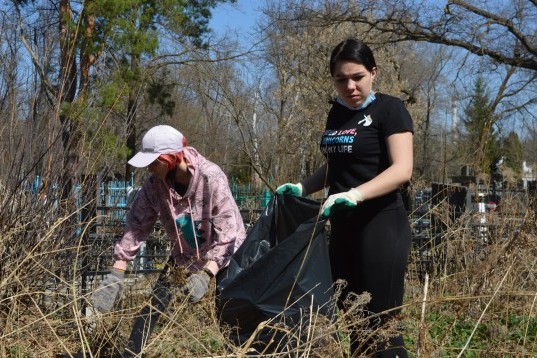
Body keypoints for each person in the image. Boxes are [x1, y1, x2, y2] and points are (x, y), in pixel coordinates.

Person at [276, 38, 413, 357]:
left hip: (381, 227)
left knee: (382, 327)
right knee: (354, 322)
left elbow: (402, 169)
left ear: (373, 72)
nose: (350, 86)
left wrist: (355, 193)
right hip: (342, 229)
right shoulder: (336, 114)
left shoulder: (390, 110)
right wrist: (301, 187)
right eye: (341, 79)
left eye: (357, 77)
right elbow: (335, 165)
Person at [91, 124, 246, 356]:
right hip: (184, 255)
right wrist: (117, 272)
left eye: (154, 162)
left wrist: (205, 274)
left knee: (229, 314)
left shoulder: (211, 177)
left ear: (171, 157)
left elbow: (228, 234)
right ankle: (130, 354)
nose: (150, 169)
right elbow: (137, 224)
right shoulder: (155, 185)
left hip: (225, 257)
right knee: (153, 307)